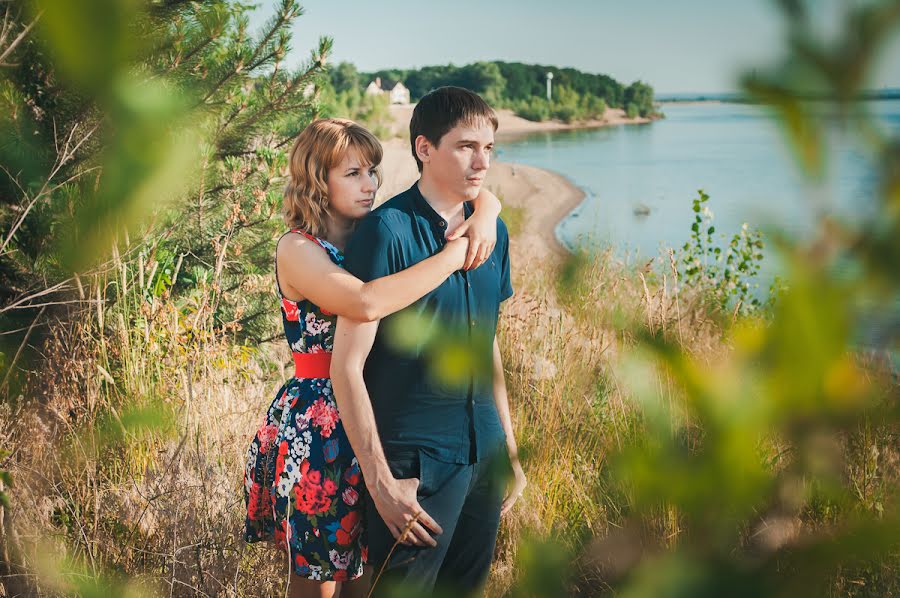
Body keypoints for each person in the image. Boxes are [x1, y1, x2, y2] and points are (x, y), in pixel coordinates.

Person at [242, 117, 502, 598]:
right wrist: (455, 255)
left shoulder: (371, 234)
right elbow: (365, 302)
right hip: (320, 423)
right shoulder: (297, 249)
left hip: (376, 416)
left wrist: (487, 206)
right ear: (317, 181)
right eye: (353, 174)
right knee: (319, 581)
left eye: (372, 172)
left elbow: (462, 196)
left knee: (369, 577)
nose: (369, 185)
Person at [331, 87, 528, 596]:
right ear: (424, 148)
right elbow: (345, 367)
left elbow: (486, 345)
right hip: (414, 465)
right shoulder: (385, 231)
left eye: (489, 147)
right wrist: (381, 482)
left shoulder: (495, 232)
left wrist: (506, 445)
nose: (481, 161)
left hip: (483, 455)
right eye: (465, 146)